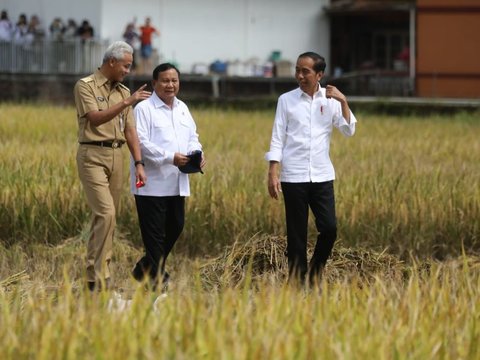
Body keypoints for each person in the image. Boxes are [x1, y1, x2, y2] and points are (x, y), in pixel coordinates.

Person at [265, 52, 357, 288]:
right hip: (293, 176)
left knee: (329, 228)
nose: (299, 75)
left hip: (322, 175)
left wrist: (343, 101)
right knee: (296, 235)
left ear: (319, 74)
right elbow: (278, 137)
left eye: (305, 71)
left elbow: (349, 131)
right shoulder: (286, 100)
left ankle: (315, 272)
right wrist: (273, 172)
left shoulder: (331, 100)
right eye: (297, 70)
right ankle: (298, 283)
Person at [73, 41, 151, 291]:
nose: (128, 70)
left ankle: (97, 276)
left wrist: (138, 162)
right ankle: (98, 276)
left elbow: (130, 130)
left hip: (117, 156)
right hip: (93, 154)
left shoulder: (123, 91)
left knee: (109, 218)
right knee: (105, 213)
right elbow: (95, 119)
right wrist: (128, 102)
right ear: (111, 62)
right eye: (126, 66)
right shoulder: (85, 86)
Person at [130, 63, 205, 291]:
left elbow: (193, 136)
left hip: (177, 182)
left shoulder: (182, 108)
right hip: (151, 183)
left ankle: (143, 269)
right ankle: (156, 283)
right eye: (165, 81)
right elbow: (141, 142)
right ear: (154, 84)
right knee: (154, 236)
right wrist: (169, 157)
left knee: (176, 226)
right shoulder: (144, 109)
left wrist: (197, 153)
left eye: (174, 80)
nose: (170, 85)